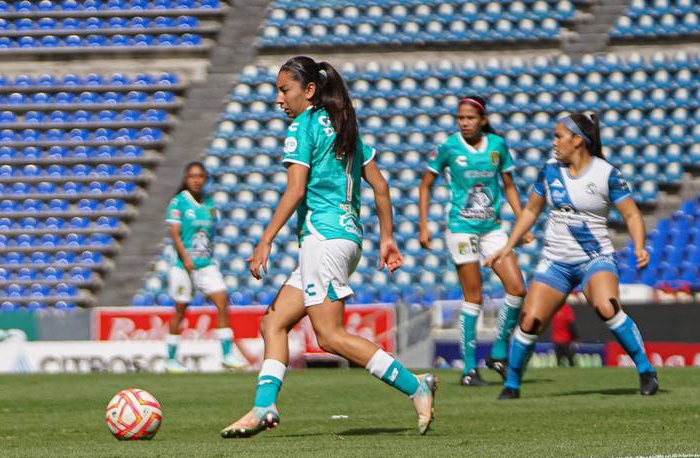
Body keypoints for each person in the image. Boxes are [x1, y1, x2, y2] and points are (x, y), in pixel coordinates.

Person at [220, 56, 437, 438]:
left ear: (309, 91)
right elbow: (382, 187)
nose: (278, 99)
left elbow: (295, 190)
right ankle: (263, 406)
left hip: (323, 238)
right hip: (345, 237)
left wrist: (265, 240)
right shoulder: (345, 126)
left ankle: (414, 384)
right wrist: (387, 238)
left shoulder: (302, 127)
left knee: (330, 336)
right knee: (273, 322)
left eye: (284, 90)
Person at [486, 112, 659, 399]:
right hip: (556, 262)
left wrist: (640, 246)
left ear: (577, 140)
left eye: (558, 136)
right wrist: (508, 246)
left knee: (607, 306)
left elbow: (631, 214)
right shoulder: (550, 170)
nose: (553, 142)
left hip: (595, 259)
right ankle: (512, 385)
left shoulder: (606, 173)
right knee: (529, 321)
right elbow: (531, 210)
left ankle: (645, 370)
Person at [419, 96, 531, 386]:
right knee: (474, 296)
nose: (464, 123)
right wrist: (423, 226)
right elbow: (426, 184)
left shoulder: (497, 146)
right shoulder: (449, 147)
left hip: (492, 229)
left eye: (470, 118)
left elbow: (509, 186)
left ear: (482, 119)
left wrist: (522, 222)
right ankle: (469, 369)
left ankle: (497, 352)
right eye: (460, 118)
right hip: (461, 228)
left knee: (517, 289)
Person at [164, 162, 246, 372]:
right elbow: (174, 233)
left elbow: (209, 234)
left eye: (200, 176)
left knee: (222, 301)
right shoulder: (178, 202)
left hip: (206, 264)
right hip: (183, 266)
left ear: (205, 178)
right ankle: (171, 359)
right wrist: (185, 258)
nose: (196, 180)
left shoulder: (209, 204)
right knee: (181, 310)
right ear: (185, 178)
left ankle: (227, 355)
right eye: (192, 176)